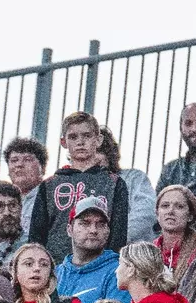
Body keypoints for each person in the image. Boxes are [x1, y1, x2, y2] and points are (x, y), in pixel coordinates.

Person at [28, 112, 132, 263]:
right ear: (63, 142)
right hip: (56, 265)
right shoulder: (49, 184)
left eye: (87, 136)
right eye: (73, 137)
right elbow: (36, 235)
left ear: (98, 140)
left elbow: (118, 233)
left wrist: (110, 265)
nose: (80, 142)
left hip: (100, 265)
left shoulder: (114, 183)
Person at [54, 196, 129, 303]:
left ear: (108, 231)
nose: (93, 230)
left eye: (100, 224)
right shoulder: (55, 274)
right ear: (69, 230)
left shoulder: (118, 273)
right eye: (85, 223)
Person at [152, 185, 196, 292]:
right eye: (165, 206)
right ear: (157, 214)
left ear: (190, 216)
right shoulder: (148, 251)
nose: (170, 211)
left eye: (179, 207)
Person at [2, 137, 48, 234]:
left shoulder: (50, 199)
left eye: (27, 159)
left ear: (43, 168)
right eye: (14, 160)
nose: (19, 165)